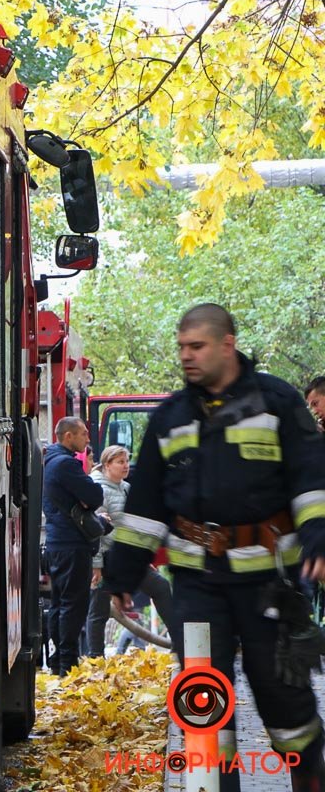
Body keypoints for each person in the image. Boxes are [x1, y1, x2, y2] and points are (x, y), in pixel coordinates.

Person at [104, 304, 325, 792]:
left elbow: (312, 479)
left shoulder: (278, 402)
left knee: (288, 709)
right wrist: (121, 576)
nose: (186, 356)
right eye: (181, 347)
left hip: (271, 585)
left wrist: (318, 536)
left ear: (227, 344)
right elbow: (144, 510)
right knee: (204, 713)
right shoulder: (170, 417)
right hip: (198, 587)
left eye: (196, 346)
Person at [84, 445, 178, 657]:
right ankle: (95, 660)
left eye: (127, 461)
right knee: (98, 612)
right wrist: (96, 566)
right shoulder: (98, 490)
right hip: (107, 561)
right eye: (120, 462)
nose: (126, 466)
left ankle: (179, 642)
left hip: (126, 560)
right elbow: (95, 532)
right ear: (107, 465)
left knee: (161, 587)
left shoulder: (126, 488)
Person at [42, 416, 104, 677]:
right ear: (69, 436)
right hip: (71, 544)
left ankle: (59, 659)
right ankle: (67, 663)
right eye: (83, 434)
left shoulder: (48, 460)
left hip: (57, 543)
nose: (88, 439)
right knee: (73, 605)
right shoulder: (66, 465)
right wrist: (88, 487)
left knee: (59, 603)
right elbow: (95, 496)